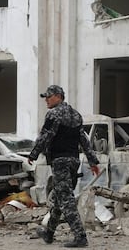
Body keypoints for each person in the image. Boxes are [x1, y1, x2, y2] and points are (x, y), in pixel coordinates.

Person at [27, 85, 100, 248]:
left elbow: (45, 136)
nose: (46, 99)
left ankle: (80, 236)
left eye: (49, 96)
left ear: (59, 96)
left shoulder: (54, 114)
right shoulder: (76, 115)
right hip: (74, 161)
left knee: (65, 199)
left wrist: (33, 154)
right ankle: (49, 233)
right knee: (60, 197)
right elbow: (84, 140)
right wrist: (92, 161)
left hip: (60, 161)